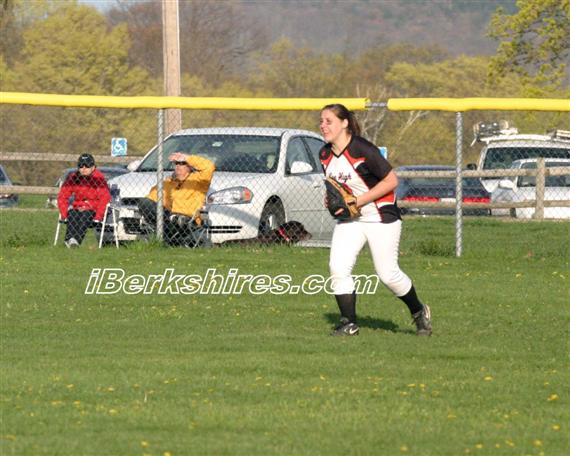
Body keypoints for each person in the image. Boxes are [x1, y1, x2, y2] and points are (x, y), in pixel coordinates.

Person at [318, 104, 432, 336]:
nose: (323, 126)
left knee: (387, 274)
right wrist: (331, 199)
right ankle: (348, 323)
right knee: (338, 267)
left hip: (380, 216)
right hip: (352, 220)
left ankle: (419, 311)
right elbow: (338, 187)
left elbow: (391, 181)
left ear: (345, 123)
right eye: (321, 121)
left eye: (329, 121)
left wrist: (358, 201)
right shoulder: (324, 154)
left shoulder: (362, 149)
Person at [138, 152, 215, 246]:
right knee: (145, 202)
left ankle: (167, 232)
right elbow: (151, 199)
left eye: (182, 163)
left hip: (188, 220)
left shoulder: (198, 180)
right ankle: (167, 226)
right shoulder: (167, 182)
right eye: (176, 163)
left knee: (176, 220)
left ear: (190, 167)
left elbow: (209, 167)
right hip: (166, 218)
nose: (178, 166)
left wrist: (187, 158)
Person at [57, 153, 111, 248]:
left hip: (93, 210)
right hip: (78, 207)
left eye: (87, 165)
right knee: (72, 213)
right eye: (81, 165)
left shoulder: (98, 178)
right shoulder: (74, 177)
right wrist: (64, 214)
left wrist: (98, 216)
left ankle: (74, 241)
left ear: (93, 167)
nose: (84, 168)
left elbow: (104, 199)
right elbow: (62, 196)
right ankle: (71, 240)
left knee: (85, 214)